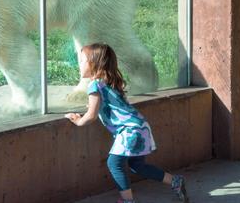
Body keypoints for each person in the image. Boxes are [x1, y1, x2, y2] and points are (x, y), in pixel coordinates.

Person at [65, 43, 189, 203]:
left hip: (129, 131)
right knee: (137, 166)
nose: (79, 64)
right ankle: (175, 181)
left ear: (95, 64)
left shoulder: (95, 85)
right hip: (141, 126)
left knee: (114, 163)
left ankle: (128, 201)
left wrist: (78, 121)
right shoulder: (109, 82)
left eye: (82, 61)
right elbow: (112, 105)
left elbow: (91, 116)